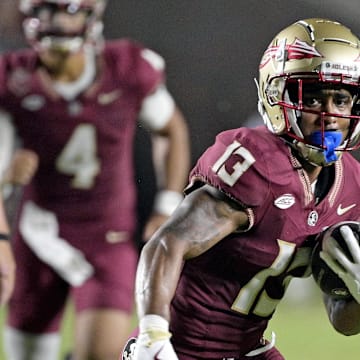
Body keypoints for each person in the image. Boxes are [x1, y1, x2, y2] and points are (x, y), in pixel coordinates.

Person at [127, 18, 360, 360]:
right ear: (275, 95)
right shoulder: (257, 164)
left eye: (341, 100)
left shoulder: (350, 184)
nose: (329, 115)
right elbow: (166, 244)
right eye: (311, 98)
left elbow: (343, 321)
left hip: (249, 350)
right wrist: (152, 336)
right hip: (180, 348)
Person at [0, 0, 191, 359]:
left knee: (101, 355)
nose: (56, 22)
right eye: (46, 11)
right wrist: (7, 189)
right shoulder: (11, 80)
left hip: (106, 236)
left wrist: (167, 204)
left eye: (66, 11)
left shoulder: (127, 69)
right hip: (37, 233)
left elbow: (171, 129)